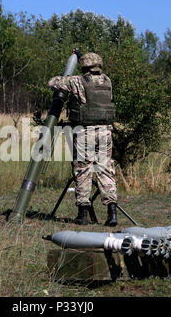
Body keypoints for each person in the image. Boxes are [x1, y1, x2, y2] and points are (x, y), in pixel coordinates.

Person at [48, 52, 118, 226]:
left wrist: (68, 75)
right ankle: (112, 213)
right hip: (106, 132)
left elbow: (52, 83)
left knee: (83, 170)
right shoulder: (107, 81)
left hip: (86, 132)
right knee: (105, 169)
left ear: (84, 66)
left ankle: (83, 214)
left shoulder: (77, 81)